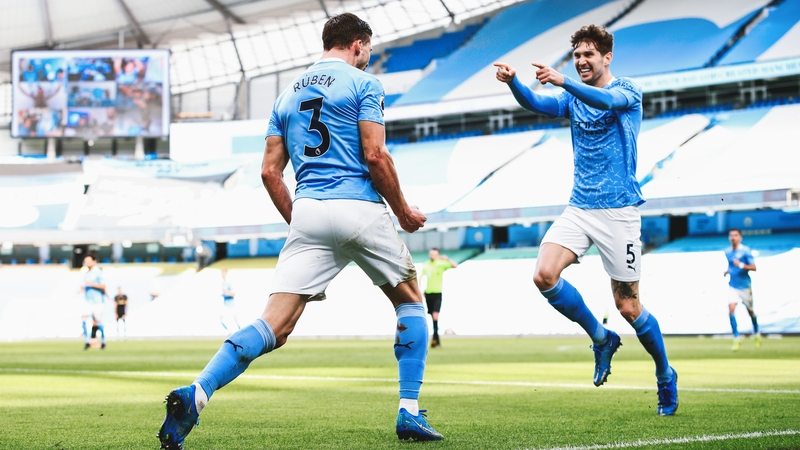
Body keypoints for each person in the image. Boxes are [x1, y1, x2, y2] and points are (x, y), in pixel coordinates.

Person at [158, 13, 442, 449]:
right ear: (358, 45)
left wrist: (304, 225)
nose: (366, 57)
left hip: (308, 208)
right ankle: (408, 411)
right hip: (360, 207)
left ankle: (197, 392)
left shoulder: (286, 95)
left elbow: (271, 173)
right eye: (367, 50)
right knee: (410, 302)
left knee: (275, 325)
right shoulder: (364, 84)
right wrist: (403, 211)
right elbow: (376, 155)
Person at [494, 24, 678, 416]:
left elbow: (606, 101)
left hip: (619, 211)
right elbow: (538, 104)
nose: (581, 62)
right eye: (576, 56)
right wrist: (514, 84)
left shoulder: (627, 91)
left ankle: (664, 374)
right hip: (579, 207)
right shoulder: (571, 98)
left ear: (607, 57)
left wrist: (562, 81)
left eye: (588, 55)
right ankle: (601, 338)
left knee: (628, 306)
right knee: (543, 275)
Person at [723, 228, 761, 351]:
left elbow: (754, 267)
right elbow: (730, 265)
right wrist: (727, 271)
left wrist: (741, 265)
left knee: (750, 312)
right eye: (731, 235)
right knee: (731, 309)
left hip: (745, 286)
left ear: (740, 237)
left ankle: (756, 333)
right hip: (733, 285)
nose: (733, 237)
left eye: (735, 235)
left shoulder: (745, 251)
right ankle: (736, 337)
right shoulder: (727, 251)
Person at [419, 248, 457, 347]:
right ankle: (436, 340)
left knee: (435, 316)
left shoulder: (441, 264)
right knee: (432, 316)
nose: (432, 256)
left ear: (438, 255)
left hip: (437, 293)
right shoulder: (426, 265)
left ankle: (435, 339)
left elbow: (455, 266)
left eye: (434, 254)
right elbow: (421, 278)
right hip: (428, 293)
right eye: (431, 254)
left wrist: (447, 259)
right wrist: (421, 290)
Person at [80, 254, 106, 350]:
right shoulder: (86, 273)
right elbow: (86, 285)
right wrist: (83, 288)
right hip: (88, 301)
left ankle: (103, 342)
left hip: (98, 302)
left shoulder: (98, 272)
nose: (86, 262)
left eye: (88, 260)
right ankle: (88, 342)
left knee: (99, 323)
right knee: (84, 320)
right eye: (85, 261)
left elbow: (103, 286)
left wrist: (91, 285)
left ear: (94, 261)